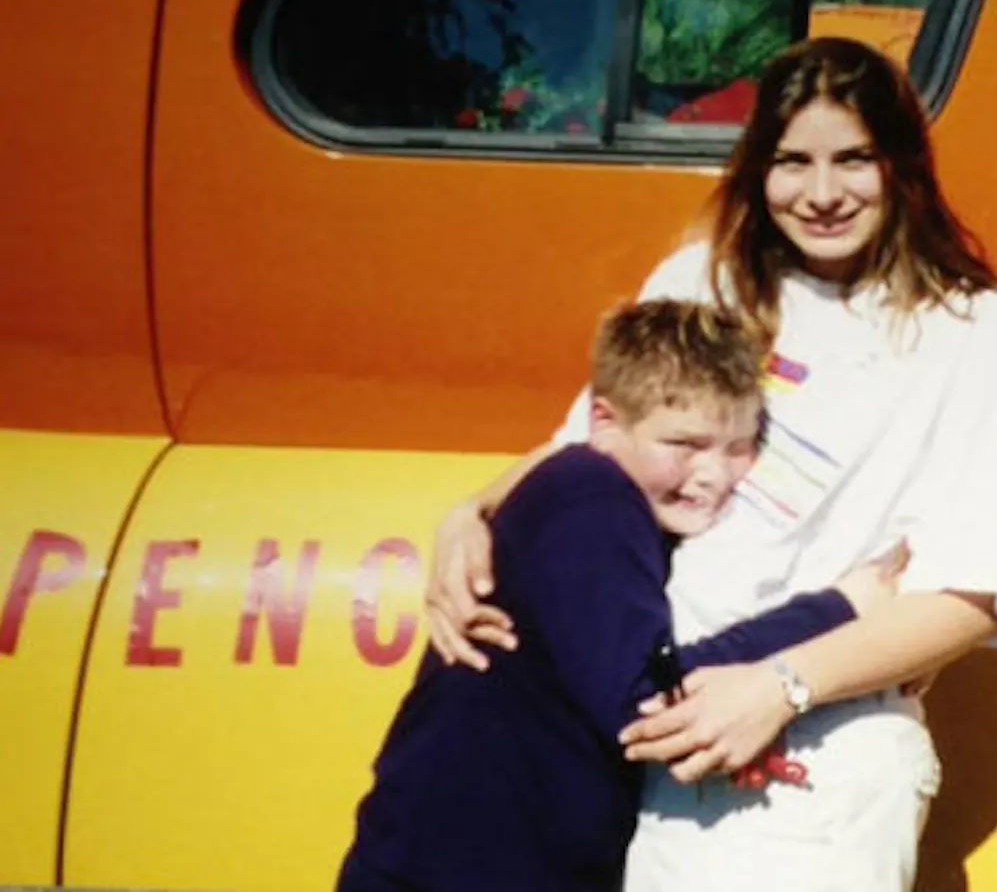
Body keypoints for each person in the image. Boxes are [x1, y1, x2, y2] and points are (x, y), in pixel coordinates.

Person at [426, 37, 997, 892]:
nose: (822, 194)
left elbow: (969, 597)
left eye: (853, 159)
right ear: (757, 168)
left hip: (817, 754)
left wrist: (780, 687)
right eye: (793, 162)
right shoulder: (701, 280)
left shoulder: (970, 329)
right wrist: (469, 512)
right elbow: (595, 445)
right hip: (658, 738)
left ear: (900, 164)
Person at [339, 299, 900, 892]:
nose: (714, 474)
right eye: (684, 443)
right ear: (604, 422)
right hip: (444, 871)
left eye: (739, 447)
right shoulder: (589, 495)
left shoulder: (630, 515)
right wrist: (840, 610)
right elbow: (648, 705)